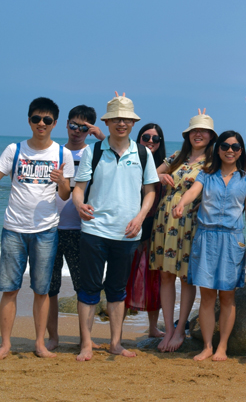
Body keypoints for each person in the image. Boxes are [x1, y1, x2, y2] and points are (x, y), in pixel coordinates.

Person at [0, 97, 74, 360]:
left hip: (46, 231)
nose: (41, 123)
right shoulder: (15, 150)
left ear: (54, 123)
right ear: (29, 121)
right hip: (14, 229)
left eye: (47, 120)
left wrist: (61, 182)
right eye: (36, 118)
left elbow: (65, 195)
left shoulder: (62, 154)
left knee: (42, 290)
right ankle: (5, 344)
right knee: (10, 289)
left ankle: (40, 344)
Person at [72, 93, 159, 362]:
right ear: (107, 122)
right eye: (116, 119)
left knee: (118, 290)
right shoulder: (93, 151)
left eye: (127, 119)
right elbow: (78, 189)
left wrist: (140, 217)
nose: (122, 123)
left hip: (128, 233)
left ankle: (115, 343)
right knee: (88, 289)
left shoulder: (143, 153)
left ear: (133, 123)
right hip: (94, 230)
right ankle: (86, 344)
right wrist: (79, 205)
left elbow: (150, 192)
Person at [173, 130, 246, 362]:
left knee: (228, 297)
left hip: (232, 240)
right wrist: (181, 203)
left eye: (235, 147)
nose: (230, 150)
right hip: (206, 237)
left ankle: (222, 347)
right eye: (225, 146)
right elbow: (193, 192)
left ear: (241, 151)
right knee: (207, 296)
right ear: (218, 149)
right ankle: (208, 346)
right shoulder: (206, 174)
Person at [150, 110, 216, 352]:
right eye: (194, 131)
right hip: (165, 217)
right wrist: (161, 177)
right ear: (187, 135)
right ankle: (168, 329)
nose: (198, 135)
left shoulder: (213, 162)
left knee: (186, 276)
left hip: (192, 220)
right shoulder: (177, 156)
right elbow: (149, 174)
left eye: (203, 131)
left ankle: (180, 330)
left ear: (211, 136)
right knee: (166, 275)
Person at [46, 104, 104, 351]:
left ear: (90, 129)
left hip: (82, 230)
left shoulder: (96, 154)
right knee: (50, 288)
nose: (77, 131)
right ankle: (53, 337)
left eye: (83, 127)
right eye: (73, 125)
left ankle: (85, 338)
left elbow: (122, 155)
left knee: (84, 287)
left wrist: (102, 137)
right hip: (50, 228)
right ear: (66, 124)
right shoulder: (55, 153)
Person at [124, 122, 166, 340]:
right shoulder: (133, 159)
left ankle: (152, 327)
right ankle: (117, 330)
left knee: (154, 279)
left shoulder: (167, 164)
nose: (150, 141)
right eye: (146, 137)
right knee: (125, 278)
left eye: (155, 138)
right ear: (138, 138)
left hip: (156, 230)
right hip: (131, 225)